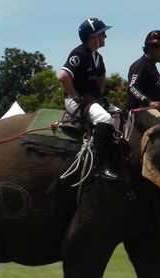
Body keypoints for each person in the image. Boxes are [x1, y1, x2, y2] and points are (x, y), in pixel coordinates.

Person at [58, 17, 119, 181]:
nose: (105, 37)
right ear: (93, 37)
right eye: (102, 34)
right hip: (76, 101)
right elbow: (63, 76)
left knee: (120, 114)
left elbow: (102, 75)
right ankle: (101, 166)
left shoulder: (97, 57)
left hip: (92, 100)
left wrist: (98, 93)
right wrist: (76, 97)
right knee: (105, 118)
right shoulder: (79, 54)